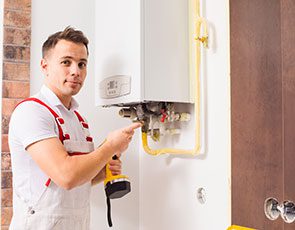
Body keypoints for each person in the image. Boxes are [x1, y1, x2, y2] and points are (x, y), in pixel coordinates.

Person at [8, 26, 141, 230]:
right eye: (66, 62)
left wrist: (103, 170)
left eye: (82, 64)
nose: (75, 71)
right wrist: (110, 148)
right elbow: (67, 176)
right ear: (45, 66)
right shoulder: (32, 112)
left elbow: (81, 178)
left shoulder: (78, 119)